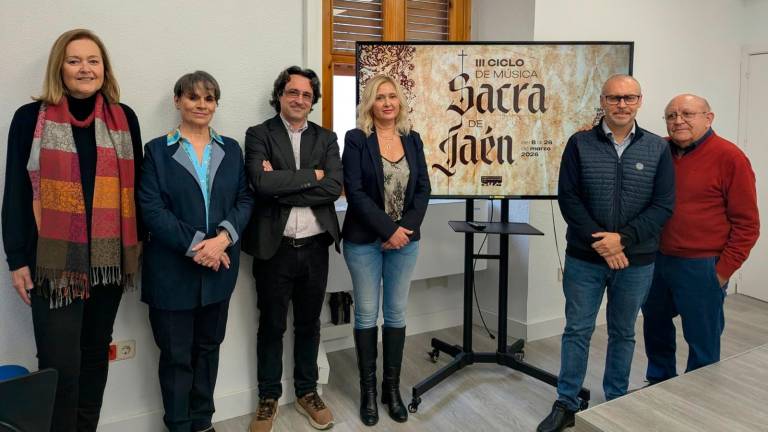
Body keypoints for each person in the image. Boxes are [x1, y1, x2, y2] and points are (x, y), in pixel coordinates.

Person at [1, 28, 143, 431]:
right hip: (51, 264)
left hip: (107, 263)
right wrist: (16, 258)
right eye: (74, 60)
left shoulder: (123, 117)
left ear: (104, 68)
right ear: (59, 67)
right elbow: (15, 191)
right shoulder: (31, 119)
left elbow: (137, 187)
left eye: (93, 60)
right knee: (58, 362)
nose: (85, 68)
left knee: (96, 354)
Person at [537, 75, 675, 432]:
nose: (621, 104)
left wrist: (622, 240)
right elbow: (568, 198)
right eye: (614, 98)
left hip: (635, 260)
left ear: (640, 101)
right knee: (577, 330)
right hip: (585, 258)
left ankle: (615, 400)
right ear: (603, 101)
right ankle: (566, 402)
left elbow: (663, 206)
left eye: (629, 98)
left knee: (623, 332)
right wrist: (602, 241)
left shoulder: (657, 148)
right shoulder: (579, 143)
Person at [137, 71, 253, 432]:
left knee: (208, 351)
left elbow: (245, 199)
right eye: (193, 97)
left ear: (216, 104)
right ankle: (177, 424)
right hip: (171, 273)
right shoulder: (157, 151)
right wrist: (197, 246)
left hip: (219, 270)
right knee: (175, 357)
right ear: (178, 102)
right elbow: (152, 209)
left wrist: (222, 239)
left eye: (209, 98)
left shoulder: (231, 149)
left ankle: (203, 422)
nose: (201, 105)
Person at [242, 66, 342, 432]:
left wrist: (282, 182)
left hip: (315, 248)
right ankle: (268, 397)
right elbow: (260, 184)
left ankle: (306, 391)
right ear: (280, 95)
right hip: (275, 248)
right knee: (270, 325)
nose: (299, 99)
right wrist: (309, 176)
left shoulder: (327, 139)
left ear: (313, 100)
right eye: (292, 92)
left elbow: (333, 188)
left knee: (309, 324)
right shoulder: (258, 135)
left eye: (306, 94)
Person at [642, 94, 759, 384]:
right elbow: (625, 143)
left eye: (687, 114)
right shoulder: (659, 150)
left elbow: (748, 225)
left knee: (702, 339)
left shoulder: (730, 157)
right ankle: (658, 384)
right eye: (671, 115)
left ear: (709, 118)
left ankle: (698, 395)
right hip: (655, 260)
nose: (678, 120)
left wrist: (721, 272)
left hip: (702, 264)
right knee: (655, 328)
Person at [342, 74, 430, 426]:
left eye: (393, 96)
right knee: (366, 314)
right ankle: (368, 394)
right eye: (380, 97)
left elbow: (423, 187)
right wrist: (388, 230)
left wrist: (403, 230)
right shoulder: (356, 139)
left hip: (405, 241)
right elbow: (355, 190)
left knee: (395, 315)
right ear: (370, 104)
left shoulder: (413, 139)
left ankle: (390, 390)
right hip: (365, 241)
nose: (388, 103)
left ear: (400, 102)